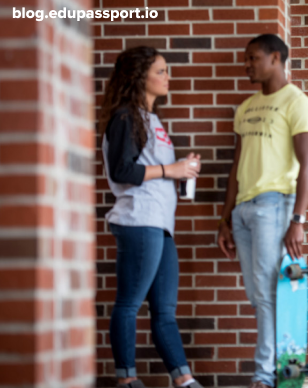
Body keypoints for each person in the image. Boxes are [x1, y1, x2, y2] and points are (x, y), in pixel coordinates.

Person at [216, 34, 308, 388]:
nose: (247, 65)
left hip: (275, 205)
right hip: (243, 209)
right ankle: (279, 371)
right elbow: (236, 165)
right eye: (246, 59)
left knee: (267, 293)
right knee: (258, 293)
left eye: (253, 58)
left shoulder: (297, 102)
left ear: (276, 58)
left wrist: (298, 220)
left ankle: (266, 375)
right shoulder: (246, 107)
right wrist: (225, 218)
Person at [100, 46, 203, 388]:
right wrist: (169, 169)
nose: (167, 77)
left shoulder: (153, 120)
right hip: (138, 220)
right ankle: (126, 380)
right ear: (139, 76)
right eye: (160, 71)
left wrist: (180, 172)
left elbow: (154, 170)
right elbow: (122, 170)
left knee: (164, 311)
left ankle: (183, 380)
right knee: (129, 304)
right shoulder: (126, 116)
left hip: (161, 225)